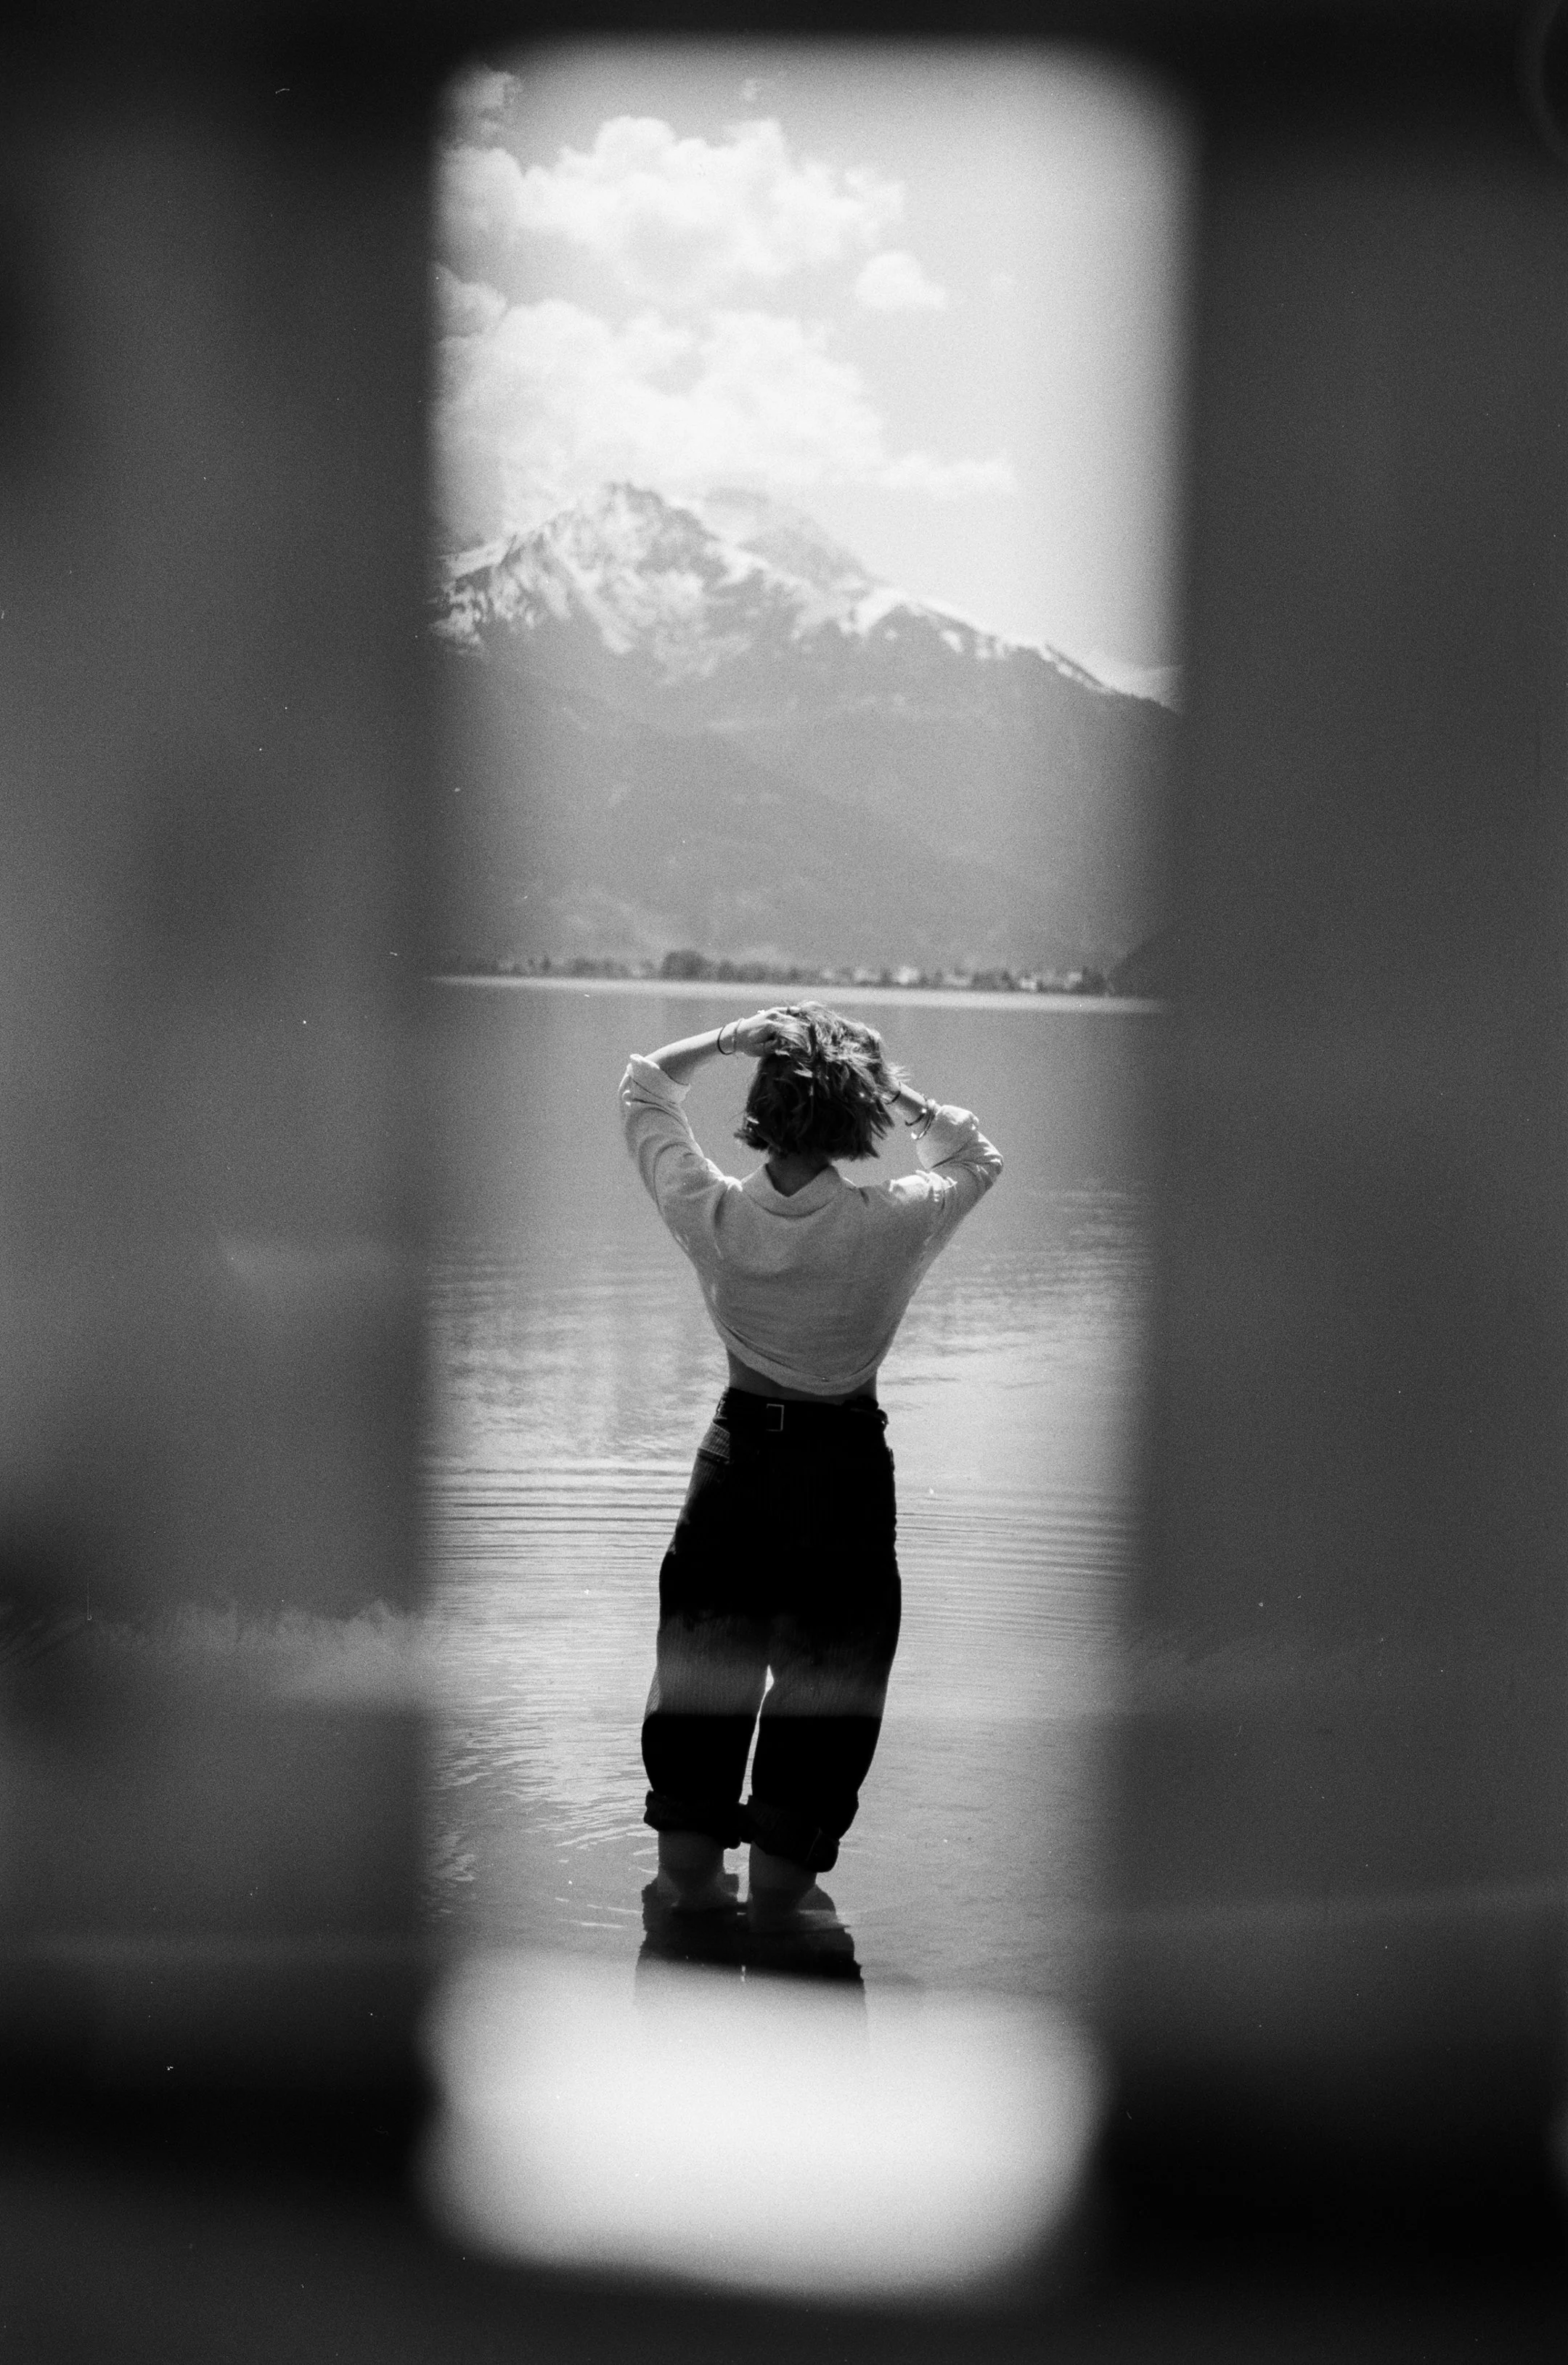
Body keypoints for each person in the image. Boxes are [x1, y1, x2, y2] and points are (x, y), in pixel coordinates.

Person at [619, 1002, 1003, 1924]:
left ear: (760, 1108)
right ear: (855, 1120)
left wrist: (729, 1039)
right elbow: (975, 1155)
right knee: (827, 1687)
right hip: (844, 1478)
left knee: (703, 1675)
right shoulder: (894, 1221)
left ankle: (688, 1901)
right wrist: (890, 1089)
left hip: (736, 1462)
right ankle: (785, 1903)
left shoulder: (707, 1211)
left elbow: (644, 1089)